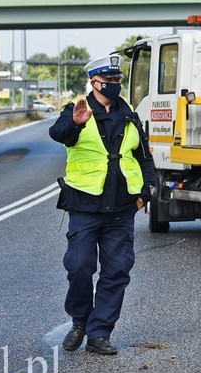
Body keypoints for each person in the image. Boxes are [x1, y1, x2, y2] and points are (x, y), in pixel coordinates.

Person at [49, 53, 157, 355]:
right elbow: (58, 134)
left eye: (116, 80)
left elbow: (142, 156)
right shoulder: (77, 110)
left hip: (121, 208)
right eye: (108, 80)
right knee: (80, 267)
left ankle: (99, 334)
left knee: (117, 270)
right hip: (85, 207)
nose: (113, 85)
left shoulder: (130, 114)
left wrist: (147, 192)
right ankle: (80, 321)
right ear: (94, 82)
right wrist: (74, 123)